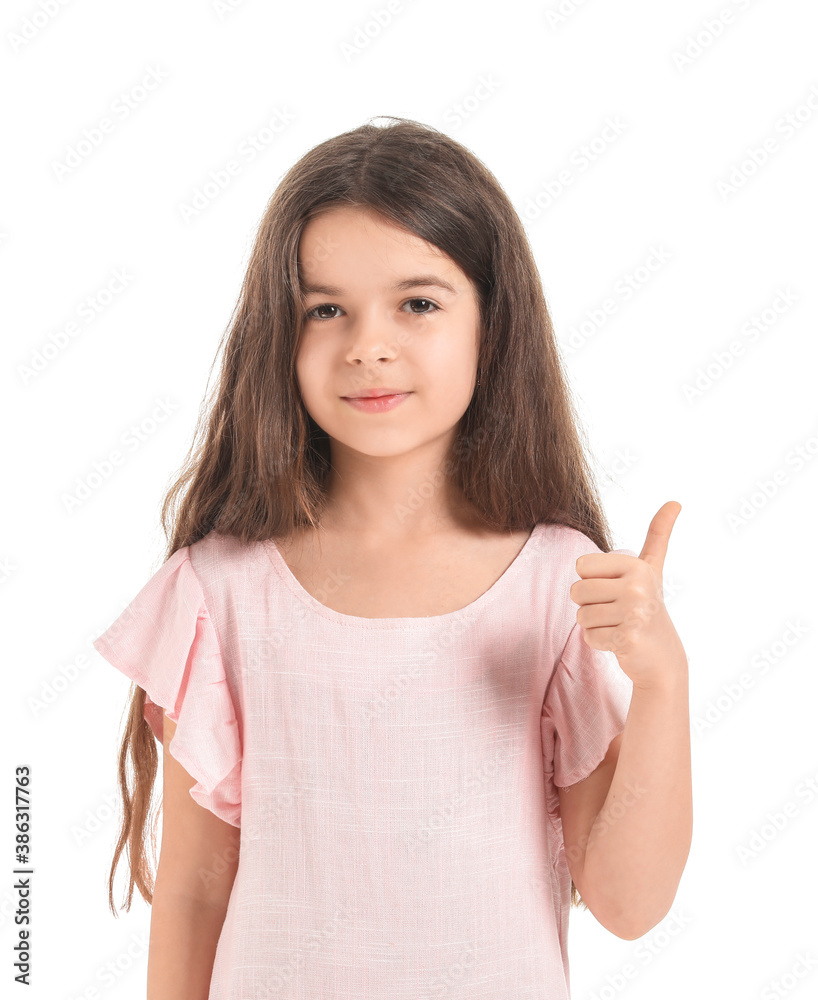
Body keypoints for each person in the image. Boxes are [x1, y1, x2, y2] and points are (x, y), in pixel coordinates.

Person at [93, 115, 692, 1000]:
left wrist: (663, 679)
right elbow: (191, 890)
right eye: (325, 309)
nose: (368, 344)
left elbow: (628, 903)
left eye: (417, 302)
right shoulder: (220, 591)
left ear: (495, 320)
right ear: (279, 336)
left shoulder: (557, 585)